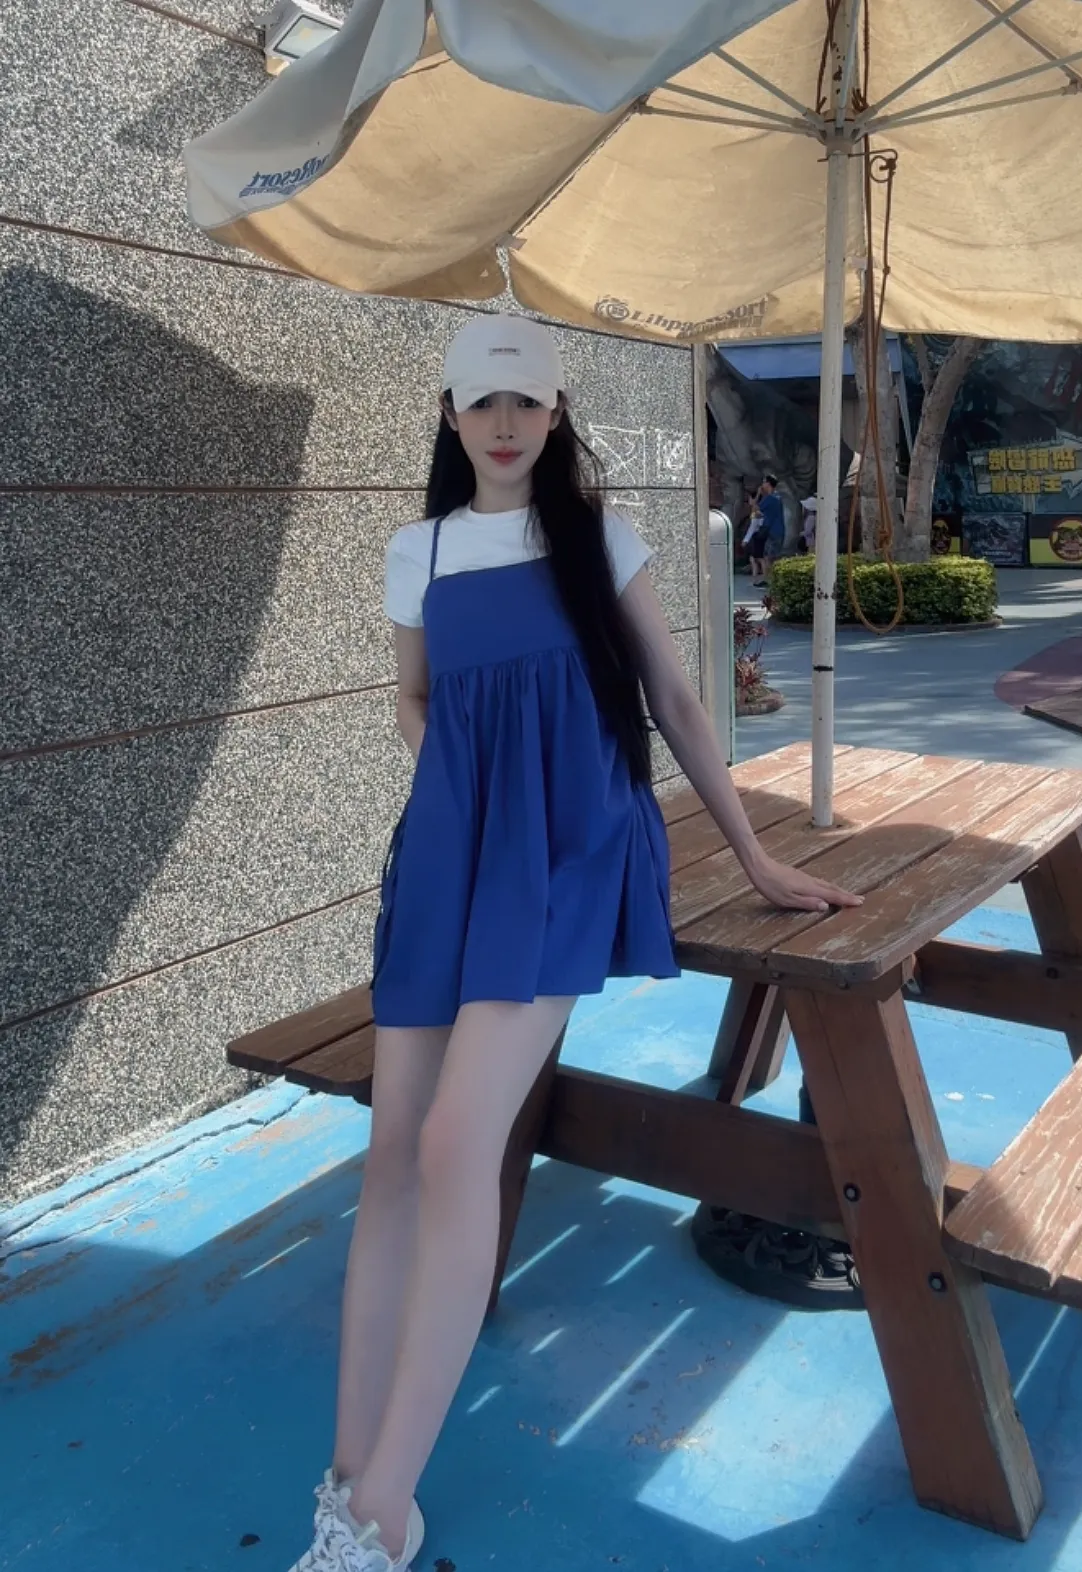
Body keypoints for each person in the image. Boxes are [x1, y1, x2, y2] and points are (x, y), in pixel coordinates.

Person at [290, 314, 861, 1572]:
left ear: (556, 418)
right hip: (449, 856)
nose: (504, 425)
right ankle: (345, 1478)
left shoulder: (601, 537)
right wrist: (459, 784)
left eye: (527, 404)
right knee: (393, 1155)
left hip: (568, 853)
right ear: (450, 416)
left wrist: (754, 855)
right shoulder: (419, 550)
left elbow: (674, 698)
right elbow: (414, 698)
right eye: (482, 403)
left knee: (454, 1142)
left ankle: (382, 1511)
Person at [749, 474, 785, 586]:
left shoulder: (770, 498)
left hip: (773, 531)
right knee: (769, 557)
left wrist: (758, 494)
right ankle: (769, 580)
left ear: (768, 484)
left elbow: (755, 508)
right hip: (775, 530)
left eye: (764, 482)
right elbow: (761, 513)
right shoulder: (777, 497)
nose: (762, 484)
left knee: (768, 557)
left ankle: (771, 582)